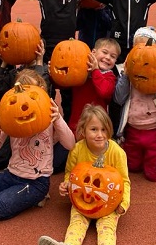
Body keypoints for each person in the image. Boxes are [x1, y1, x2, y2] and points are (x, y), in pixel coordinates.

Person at [0, 69, 76, 222]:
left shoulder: (49, 115)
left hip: (36, 181)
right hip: (11, 174)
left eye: (33, 93)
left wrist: (58, 120)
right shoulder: (12, 115)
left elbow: (70, 144)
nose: (26, 102)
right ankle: (15, 195)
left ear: (42, 90)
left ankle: (35, 197)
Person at [24, 0, 96, 125]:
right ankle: (45, 122)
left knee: (68, 92)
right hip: (47, 47)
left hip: (69, 51)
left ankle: (68, 124)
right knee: (46, 88)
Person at [38, 104, 130, 245]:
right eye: (94, 129)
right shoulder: (77, 149)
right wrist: (67, 184)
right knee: (76, 225)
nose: (100, 135)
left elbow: (124, 181)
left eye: (103, 129)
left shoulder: (117, 153)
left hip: (109, 205)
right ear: (83, 130)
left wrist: (123, 203)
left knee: (107, 231)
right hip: (82, 203)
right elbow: (70, 172)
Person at [113, 27, 156, 181]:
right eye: (138, 48)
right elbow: (118, 98)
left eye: (147, 47)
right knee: (132, 167)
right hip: (133, 131)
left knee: (155, 175)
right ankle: (149, 156)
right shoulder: (129, 73)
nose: (143, 54)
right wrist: (125, 75)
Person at [0, 39, 49, 169]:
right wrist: (4, 61)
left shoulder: (44, 70)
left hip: (38, 126)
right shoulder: (15, 73)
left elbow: (42, 91)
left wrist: (38, 62)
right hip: (17, 125)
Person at [68, 38, 120, 133]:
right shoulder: (81, 70)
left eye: (113, 56)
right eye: (104, 52)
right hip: (76, 124)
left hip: (97, 127)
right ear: (93, 52)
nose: (108, 57)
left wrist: (95, 70)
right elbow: (65, 83)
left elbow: (104, 92)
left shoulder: (110, 76)